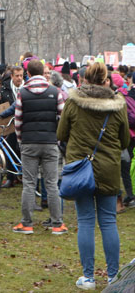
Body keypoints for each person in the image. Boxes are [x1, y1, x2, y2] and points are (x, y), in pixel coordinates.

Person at [57, 61, 130, 289]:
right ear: (105, 80)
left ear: (84, 79)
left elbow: (61, 133)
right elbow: (125, 140)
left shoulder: (73, 102)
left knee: (86, 221)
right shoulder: (118, 105)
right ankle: (113, 276)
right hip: (108, 168)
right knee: (108, 221)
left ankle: (88, 277)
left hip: (80, 169)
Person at [12, 59, 66, 235]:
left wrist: (21, 140)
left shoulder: (23, 93)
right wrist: (57, 137)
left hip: (29, 142)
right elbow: (63, 117)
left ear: (27, 73)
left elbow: (18, 120)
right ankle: (57, 223)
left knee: (29, 183)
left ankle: (27, 223)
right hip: (50, 142)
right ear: (43, 72)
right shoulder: (54, 92)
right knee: (51, 184)